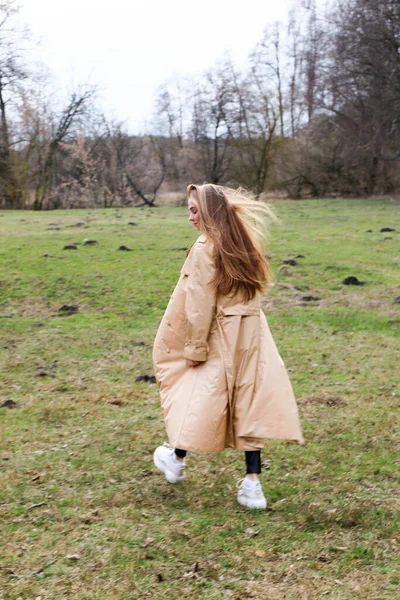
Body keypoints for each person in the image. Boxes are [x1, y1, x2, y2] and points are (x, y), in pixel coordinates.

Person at [152, 184, 303, 510]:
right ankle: (252, 484)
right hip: (251, 335)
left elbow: (200, 301)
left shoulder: (207, 246)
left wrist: (193, 348)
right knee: (247, 400)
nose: (190, 216)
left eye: (195, 210)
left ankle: (176, 460)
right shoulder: (244, 241)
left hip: (220, 333)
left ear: (211, 211)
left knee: (199, 393)